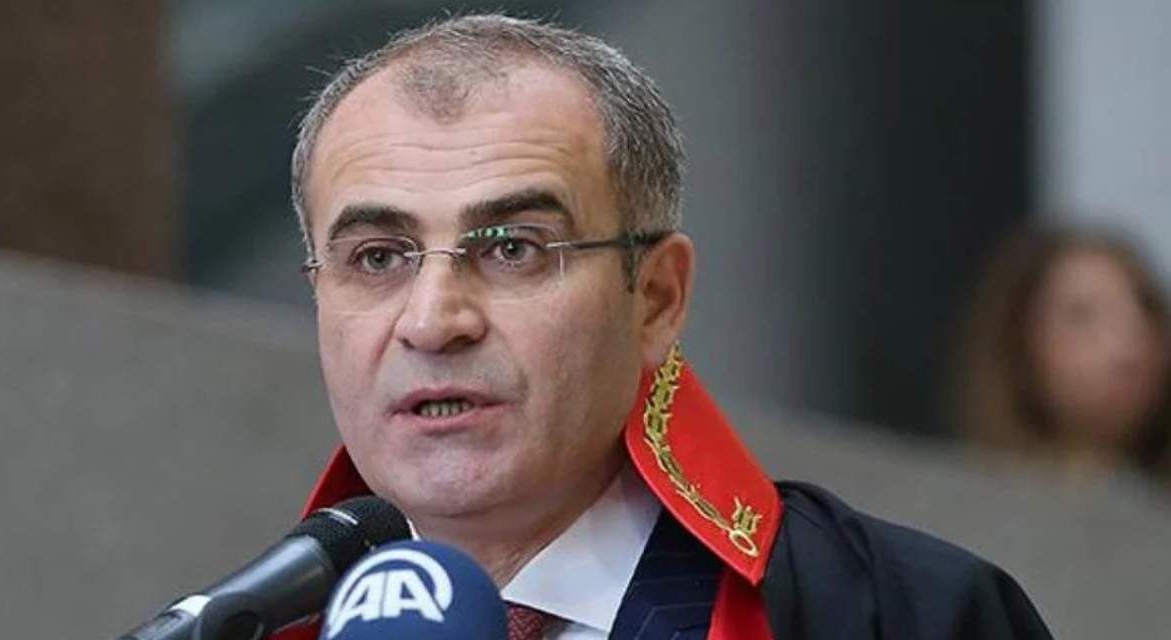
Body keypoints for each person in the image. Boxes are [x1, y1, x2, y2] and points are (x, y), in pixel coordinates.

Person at [277, 14, 1052, 639]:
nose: (433, 320)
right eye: (377, 258)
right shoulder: (255, 623)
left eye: (513, 248)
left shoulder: (906, 616)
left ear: (656, 297)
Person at [955, 224, 1171, 486]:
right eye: (1081, 316)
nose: (1128, 346)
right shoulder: (956, 491)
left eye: (1146, 312)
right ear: (1018, 341)